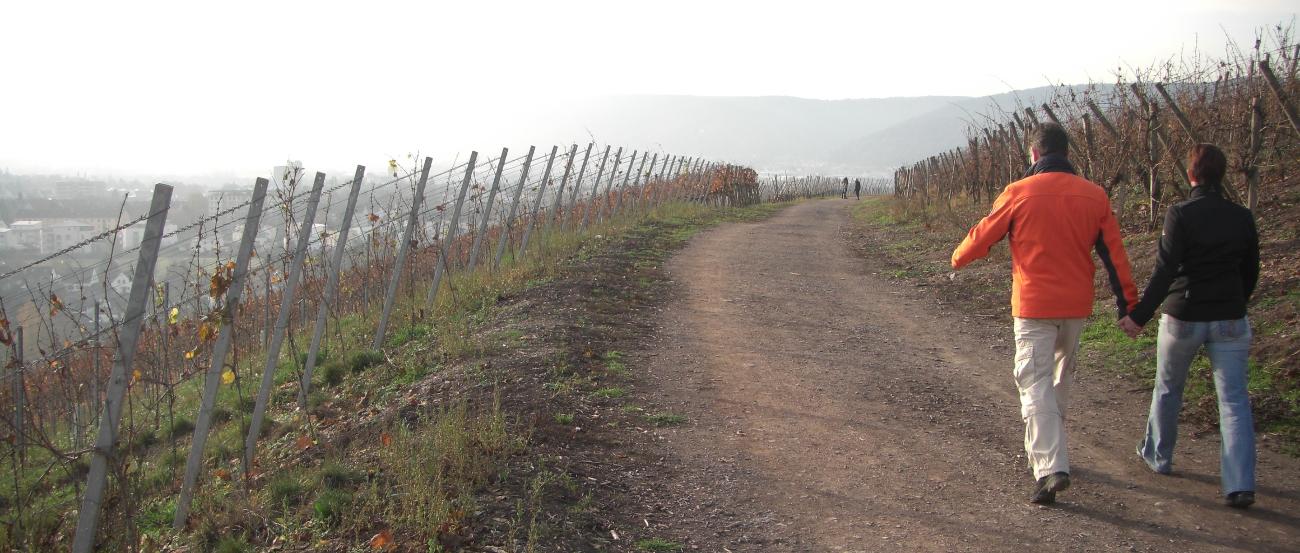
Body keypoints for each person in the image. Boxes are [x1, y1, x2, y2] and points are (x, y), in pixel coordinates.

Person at [951, 122, 1139, 504]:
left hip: (1034, 305)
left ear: (1034, 154)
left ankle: (1052, 466)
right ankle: (1049, 454)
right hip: (1075, 306)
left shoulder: (1019, 192)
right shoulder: (1094, 196)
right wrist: (1128, 305)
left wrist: (959, 258)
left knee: (1033, 382)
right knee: (1058, 382)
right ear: (1067, 154)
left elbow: (984, 234)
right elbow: (1114, 256)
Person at [1119, 144, 1260, 509]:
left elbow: (1165, 271)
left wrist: (1138, 316)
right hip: (1229, 317)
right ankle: (1239, 484)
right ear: (1223, 174)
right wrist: (1236, 303)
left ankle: (1159, 457)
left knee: (1168, 388)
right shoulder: (1242, 217)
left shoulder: (1180, 214)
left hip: (1183, 314)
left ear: (1190, 175)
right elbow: (1251, 271)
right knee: (1233, 401)